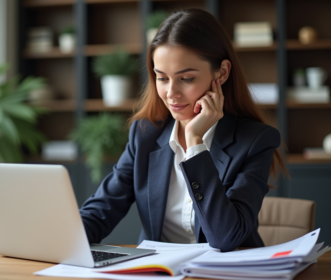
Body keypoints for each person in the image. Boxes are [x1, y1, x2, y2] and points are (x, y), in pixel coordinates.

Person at [79, 8, 286, 252]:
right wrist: (60, 237)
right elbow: (101, 210)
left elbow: (226, 237)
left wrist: (195, 143)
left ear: (221, 73)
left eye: (186, 78)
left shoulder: (254, 141)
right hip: (158, 272)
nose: (171, 93)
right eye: (162, 78)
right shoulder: (145, 135)